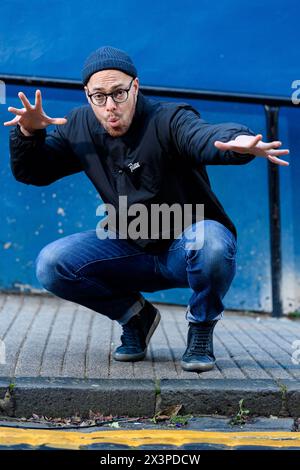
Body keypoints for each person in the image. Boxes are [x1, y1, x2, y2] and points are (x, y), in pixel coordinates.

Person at [4, 46, 289, 372]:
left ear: (135, 88)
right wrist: (28, 133)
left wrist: (237, 141)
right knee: (52, 264)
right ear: (87, 95)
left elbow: (202, 135)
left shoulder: (167, 119)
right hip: (130, 249)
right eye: (99, 96)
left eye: (119, 93)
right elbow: (34, 171)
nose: (110, 106)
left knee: (212, 242)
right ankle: (135, 317)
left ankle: (200, 329)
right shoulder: (80, 126)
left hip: (185, 249)